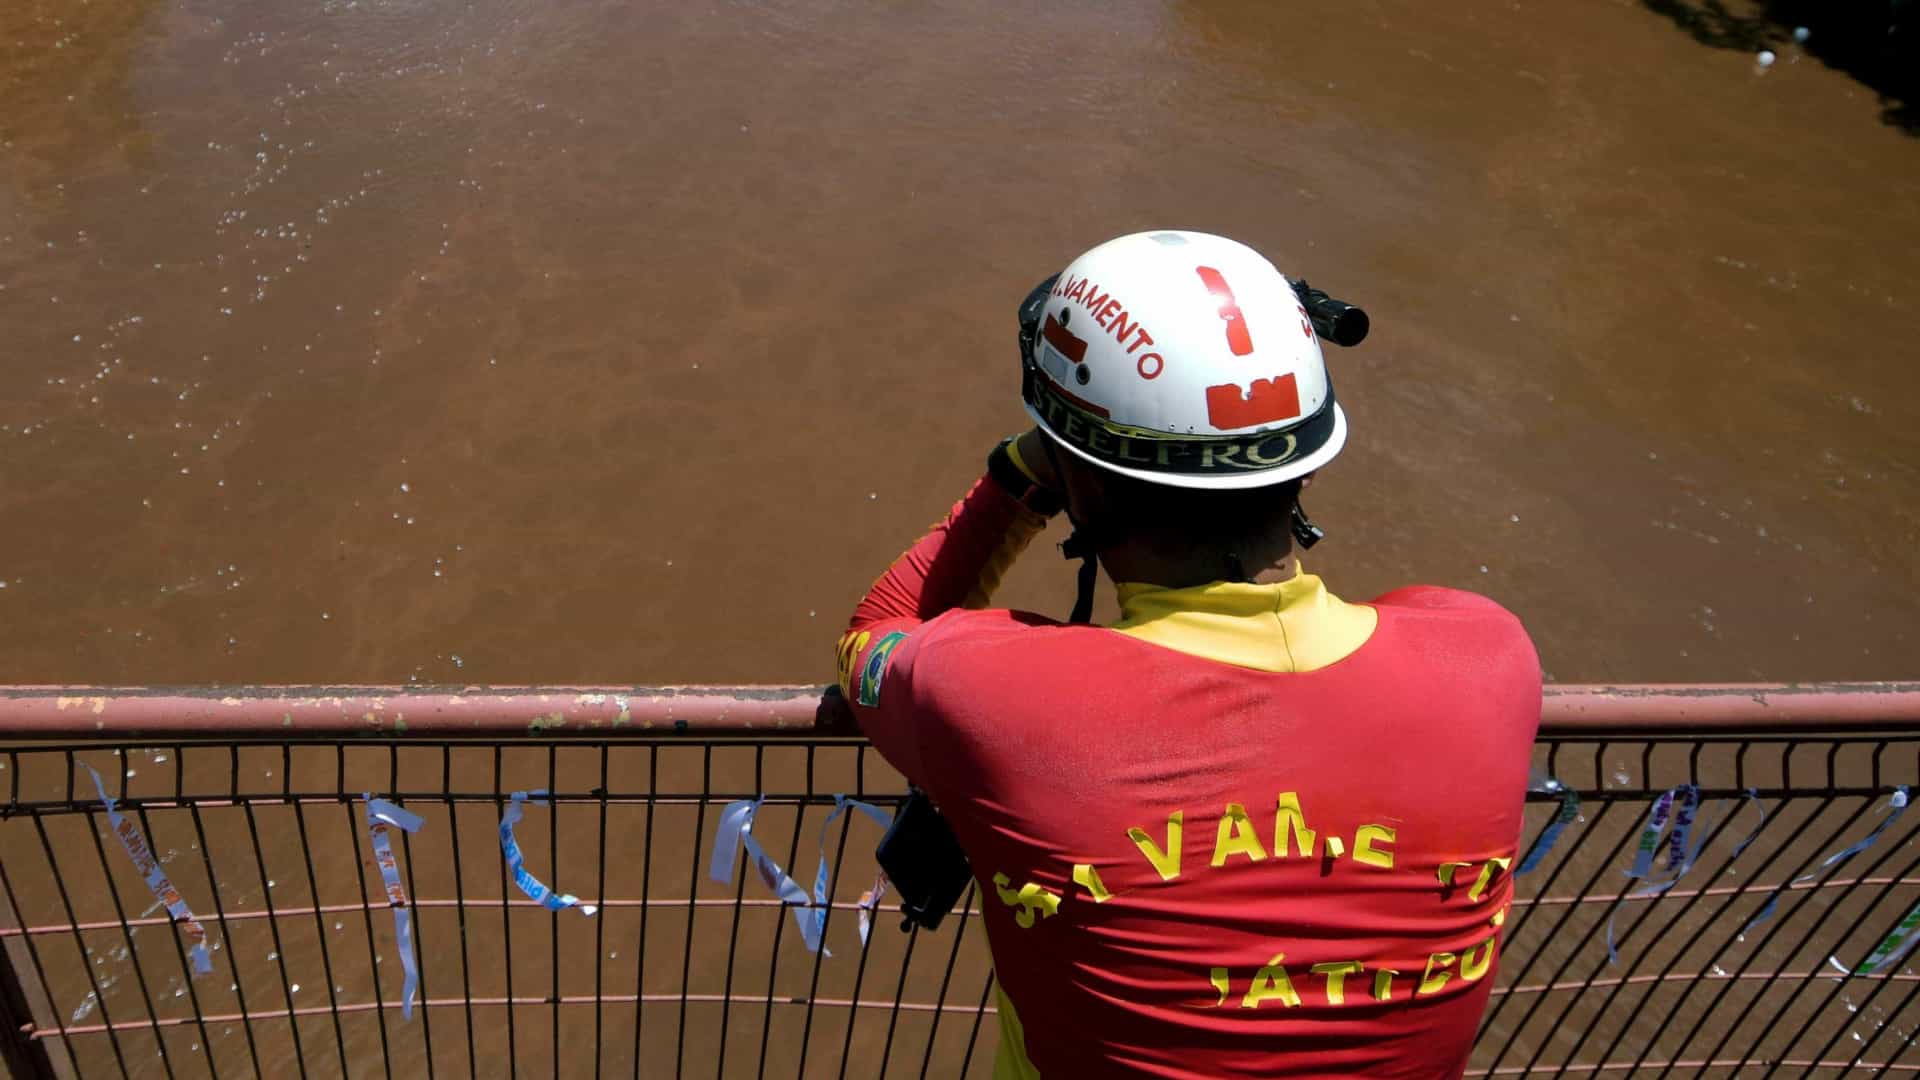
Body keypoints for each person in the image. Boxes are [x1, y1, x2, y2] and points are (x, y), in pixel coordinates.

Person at [836, 230, 1540, 1079]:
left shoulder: (1000, 697)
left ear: (1080, 478)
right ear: (1307, 462)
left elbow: (878, 630)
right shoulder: (1488, 660)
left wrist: (1022, 474)